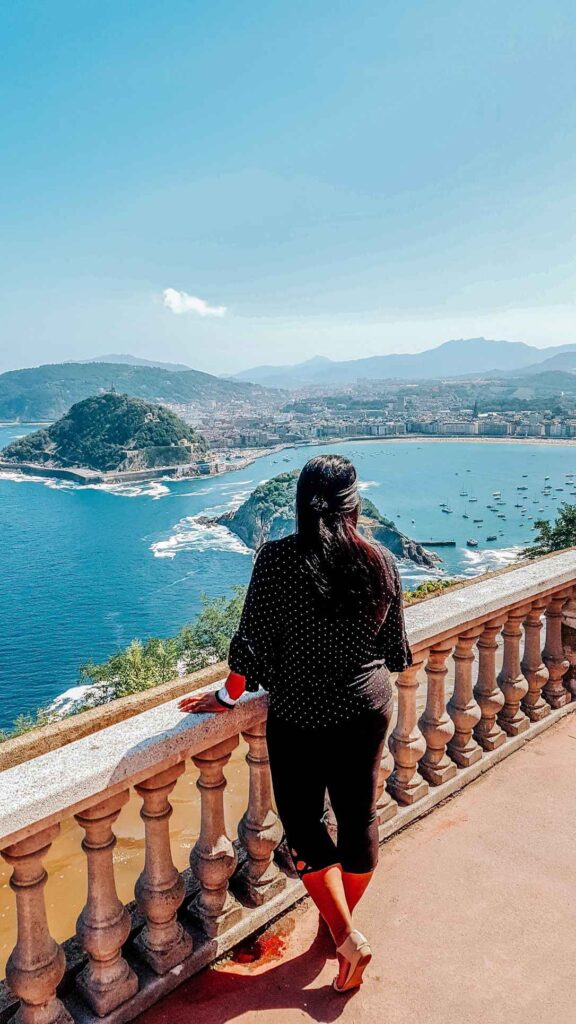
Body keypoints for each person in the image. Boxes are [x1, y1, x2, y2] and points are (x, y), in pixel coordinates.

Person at [179, 454, 412, 993]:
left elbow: (250, 642)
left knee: (304, 825)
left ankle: (346, 934)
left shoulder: (278, 560)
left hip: (302, 713)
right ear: (353, 504)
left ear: (300, 503)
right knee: (359, 817)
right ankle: (340, 930)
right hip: (366, 707)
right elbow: (394, 648)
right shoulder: (379, 560)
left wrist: (226, 695)